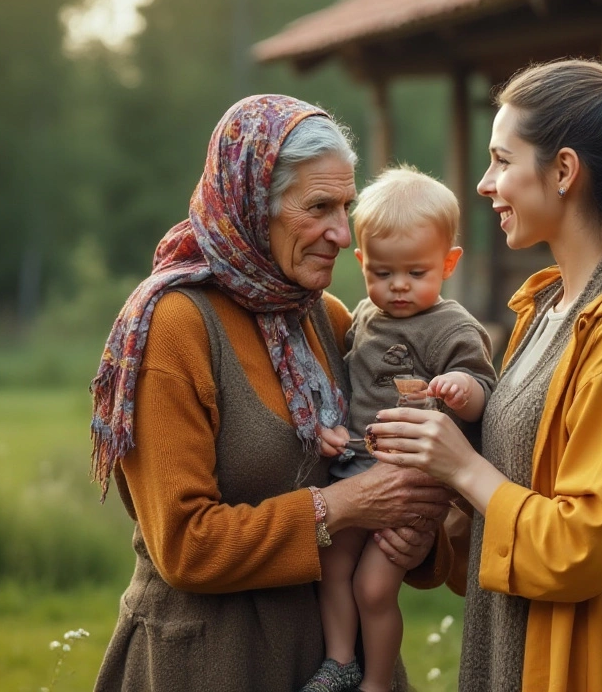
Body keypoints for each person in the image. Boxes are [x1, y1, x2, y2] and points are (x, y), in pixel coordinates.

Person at [367, 59, 602, 692]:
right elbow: (521, 488)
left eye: (502, 161)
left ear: (564, 171)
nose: (485, 185)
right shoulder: (544, 312)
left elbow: (583, 546)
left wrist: (462, 466)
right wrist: (439, 528)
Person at [88, 95, 452, 692]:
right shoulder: (175, 326)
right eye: (318, 208)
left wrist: (414, 532)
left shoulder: (328, 319)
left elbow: (382, 473)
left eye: (346, 206)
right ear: (253, 204)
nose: (342, 232)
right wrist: (347, 506)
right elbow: (184, 546)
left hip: (338, 662)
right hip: (210, 660)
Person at [303, 167, 497, 692]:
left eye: (416, 272)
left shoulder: (450, 326)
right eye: (383, 273)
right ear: (362, 262)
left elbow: (485, 391)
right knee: (328, 564)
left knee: (372, 588)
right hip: (353, 470)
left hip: (409, 481)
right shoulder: (363, 317)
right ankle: (340, 661)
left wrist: (461, 387)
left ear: (448, 263)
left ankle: (377, 681)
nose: (400, 287)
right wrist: (333, 430)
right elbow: (349, 388)